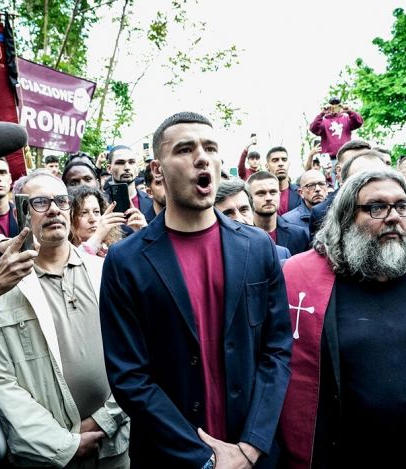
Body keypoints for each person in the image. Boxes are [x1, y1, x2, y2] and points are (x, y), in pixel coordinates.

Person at [99, 112, 292, 468]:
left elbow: (277, 351)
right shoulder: (125, 261)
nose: (201, 157)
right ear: (157, 169)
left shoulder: (257, 247)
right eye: (185, 149)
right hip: (172, 458)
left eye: (210, 147)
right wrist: (206, 459)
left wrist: (250, 446)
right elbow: (129, 377)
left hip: (255, 454)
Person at [279, 168, 406, 468]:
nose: (393, 216)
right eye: (377, 207)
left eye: (401, 206)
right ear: (346, 218)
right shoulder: (298, 278)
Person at [0, 170, 130, 468]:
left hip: (114, 446)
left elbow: (137, 354)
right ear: (20, 210)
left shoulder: (107, 271)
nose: (55, 209)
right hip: (46, 458)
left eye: (61, 200)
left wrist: (104, 420)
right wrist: (62, 444)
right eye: (41, 202)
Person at [214, 179, 292, 262]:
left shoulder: (279, 254)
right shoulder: (210, 262)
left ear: (252, 211)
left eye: (244, 210)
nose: (239, 219)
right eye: (228, 214)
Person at [308, 140, 373, 237]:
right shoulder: (321, 213)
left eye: (368, 161)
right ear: (339, 171)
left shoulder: (395, 201)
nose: (362, 167)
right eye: (354, 162)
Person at [247, 171, 310, 256]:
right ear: (249, 198)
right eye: (261, 193)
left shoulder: (300, 236)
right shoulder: (242, 237)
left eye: (273, 192)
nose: (268, 198)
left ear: (279, 195)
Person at [68, 185, 124, 257]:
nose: (93, 219)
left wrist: (140, 231)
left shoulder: (113, 250)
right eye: (84, 213)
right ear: (69, 217)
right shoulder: (61, 252)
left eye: (96, 212)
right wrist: (97, 238)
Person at [106, 145, 156, 223]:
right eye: (120, 163)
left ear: (137, 168)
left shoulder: (153, 202)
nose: (127, 167)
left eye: (131, 162)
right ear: (109, 169)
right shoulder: (99, 203)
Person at [264, 146, 302, 215]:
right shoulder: (261, 195)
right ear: (267, 166)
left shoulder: (300, 193)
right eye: (275, 160)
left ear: (288, 164)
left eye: (284, 160)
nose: (281, 164)